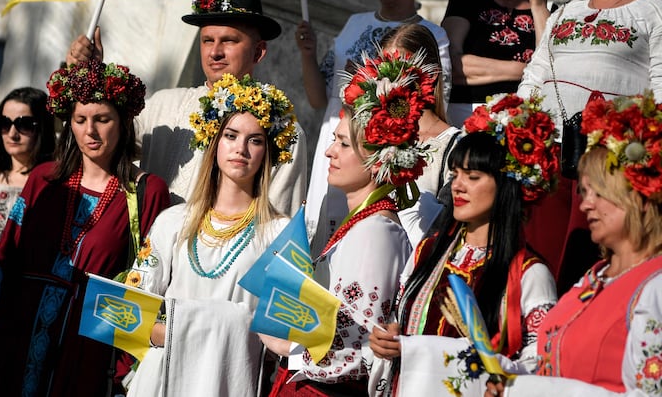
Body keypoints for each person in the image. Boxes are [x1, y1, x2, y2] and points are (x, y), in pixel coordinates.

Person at [0, 60, 170, 396]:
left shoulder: (146, 192)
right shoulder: (43, 178)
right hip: (16, 332)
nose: (90, 131)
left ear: (124, 122)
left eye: (103, 119)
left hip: (87, 349)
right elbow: (5, 256)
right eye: (80, 120)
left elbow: (150, 282)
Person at [266, 49, 434, 394]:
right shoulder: (363, 223)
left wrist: (287, 349)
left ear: (376, 159)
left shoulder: (376, 232)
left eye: (343, 143)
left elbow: (356, 345)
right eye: (334, 141)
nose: (330, 152)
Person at [369, 93, 560, 395]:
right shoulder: (429, 251)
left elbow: (541, 366)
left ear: (507, 184)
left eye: (472, 176)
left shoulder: (528, 274)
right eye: (456, 174)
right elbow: (402, 319)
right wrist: (390, 338)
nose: (457, 185)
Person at [67, 0, 307, 217]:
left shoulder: (281, 129)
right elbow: (97, 147)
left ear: (258, 51)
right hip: (145, 251)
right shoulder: (163, 104)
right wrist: (90, 83)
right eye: (207, 40)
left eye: (229, 40)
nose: (215, 52)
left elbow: (279, 226)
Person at [123, 74, 299, 397]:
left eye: (255, 140)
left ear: (268, 152)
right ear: (215, 141)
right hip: (160, 380)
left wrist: (185, 327)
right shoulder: (173, 221)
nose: (241, 149)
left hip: (228, 382)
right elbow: (126, 315)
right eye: (231, 135)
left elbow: (292, 335)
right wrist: (195, 331)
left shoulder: (280, 233)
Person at [517, 0, 662, 292]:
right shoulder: (565, 12)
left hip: (609, 159)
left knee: (587, 257)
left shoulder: (652, 10)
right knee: (538, 255)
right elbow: (536, 73)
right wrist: (515, 120)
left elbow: (661, 84)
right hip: (546, 153)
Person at [488, 92, 662, 396]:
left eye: (599, 193)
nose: (585, 205)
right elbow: (554, 363)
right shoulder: (594, 277)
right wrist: (509, 377)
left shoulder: (655, 286)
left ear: (639, 195)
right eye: (584, 192)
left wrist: (525, 390)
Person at [296, 0, 452, 258]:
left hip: (383, 154)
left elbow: (433, 99)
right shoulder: (354, 23)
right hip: (338, 143)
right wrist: (307, 54)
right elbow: (318, 99)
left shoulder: (433, 35)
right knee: (325, 246)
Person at [444, 0, 550, 128]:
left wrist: (538, 6)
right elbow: (451, 65)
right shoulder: (465, 0)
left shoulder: (547, 10)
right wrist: (526, 69)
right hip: (465, 117)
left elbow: (548, 71)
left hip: (522, 121)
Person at [381, 23, 460, 247]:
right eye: (384, 71)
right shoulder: (375, 134)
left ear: (430, 75)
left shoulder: (453, 145)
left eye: (401, 71)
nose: (390, 83)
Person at [0, 87, 55, 264]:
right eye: (4, 123)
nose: (12, 134)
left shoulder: (53, 186)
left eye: (24, 124)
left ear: (43, 128)